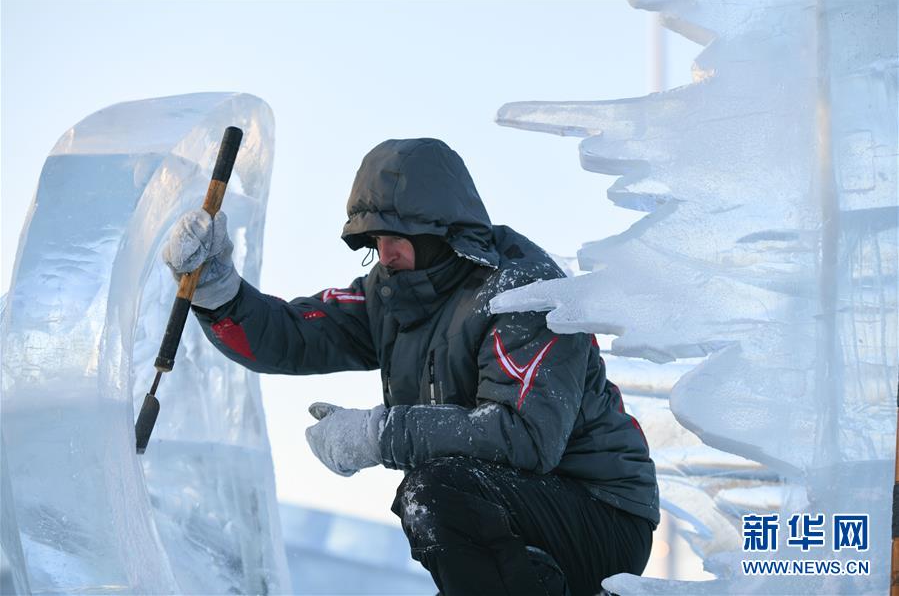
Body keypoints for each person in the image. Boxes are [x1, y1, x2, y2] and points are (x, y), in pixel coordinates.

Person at [163, 137, 659, 596]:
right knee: (438, 493)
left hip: (603, 512)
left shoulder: (521, 291)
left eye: (398, 236)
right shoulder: (394, 295)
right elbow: (296, 335)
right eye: (374, 238)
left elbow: (526, 438)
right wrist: (221, 294)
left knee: (436, 492)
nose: (385, 253)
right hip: (515, 504)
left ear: (444, 229)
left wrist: (381, 433)